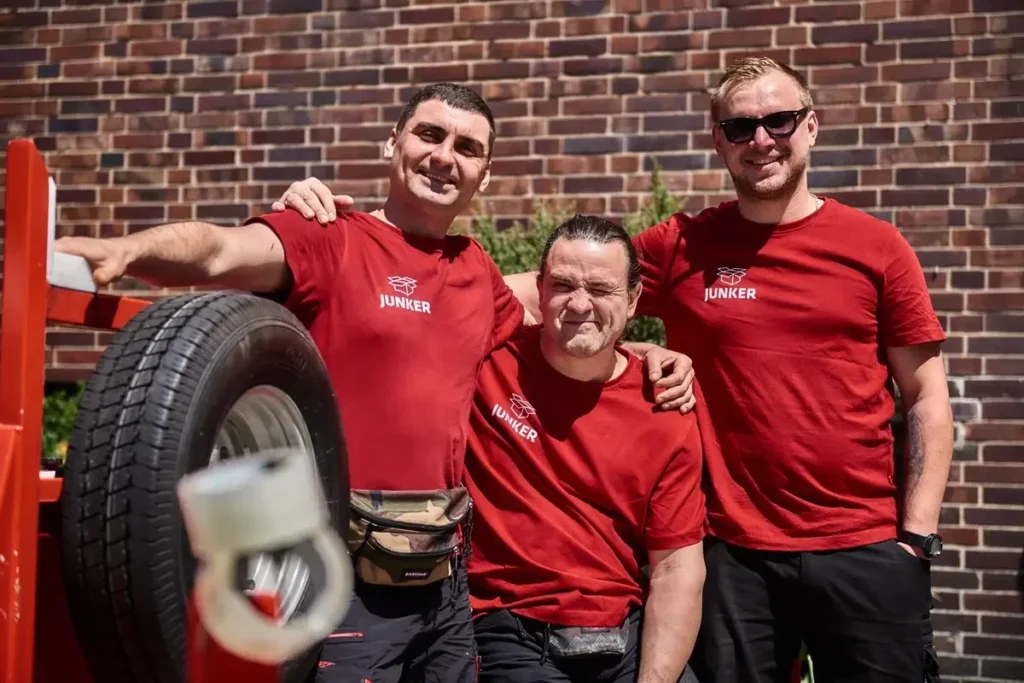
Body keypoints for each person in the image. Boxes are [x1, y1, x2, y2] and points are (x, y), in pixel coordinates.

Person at [278, 57, 954, 683]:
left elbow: (925, 393)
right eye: (741, 125)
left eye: (779, 120)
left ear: (810, 125)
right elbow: (575, 289)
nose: (762, 139)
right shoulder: (684, 243)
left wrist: (915, 541)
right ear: (719, 140)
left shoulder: (876, 247)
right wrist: (367, 248)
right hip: (735, 550)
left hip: (864, 542)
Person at [55, 82, 692, 683]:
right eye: (430, 135)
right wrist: (128, 251)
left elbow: (573, 307)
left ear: (484, 176)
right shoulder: (329, 237)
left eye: (467, 148)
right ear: (393, 144)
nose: (445, 157)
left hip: (443, 587)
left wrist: (638, 351)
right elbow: (220, 250)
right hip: (343, 577)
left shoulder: (474, 273)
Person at [465, 214, 707, 683]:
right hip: (508, 630)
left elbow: (677, 569)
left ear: (634, 299)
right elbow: (426, 283)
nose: (580, 303)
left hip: (621, 633)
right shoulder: (488, 358)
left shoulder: (664, 406)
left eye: (601, 289)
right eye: (563, 284)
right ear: (539, 288)